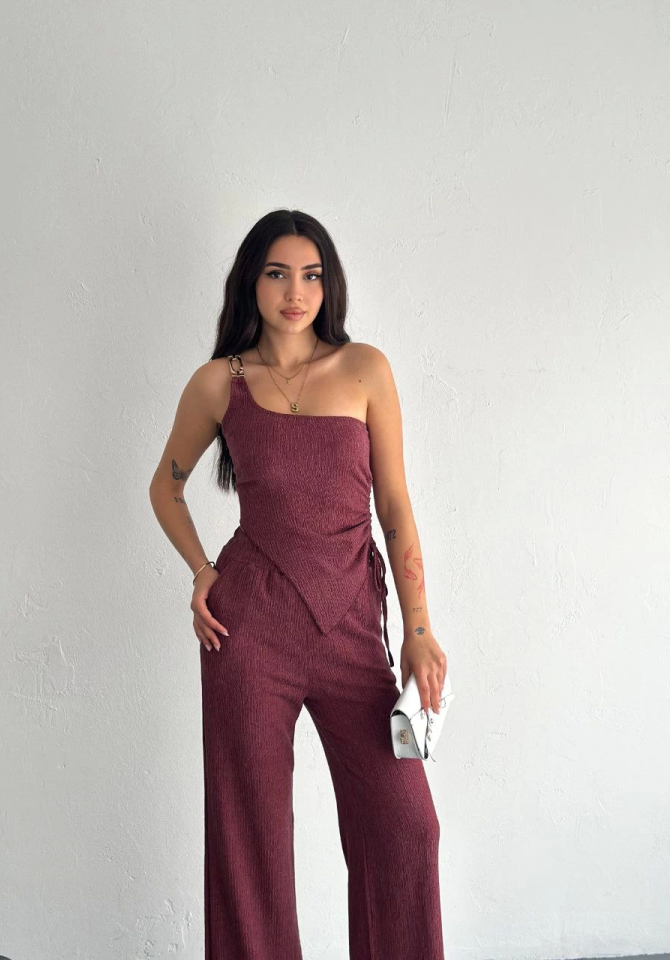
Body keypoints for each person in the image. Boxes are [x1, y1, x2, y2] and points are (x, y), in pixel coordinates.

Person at [149, 208, 449, 959]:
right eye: (277, 273)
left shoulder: (364, 368)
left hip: (353, 629)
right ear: (251, 282)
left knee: (407, 827)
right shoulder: (220, 383)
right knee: (249, 843)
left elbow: (395, 508)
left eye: (311, 275)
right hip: (247, 628)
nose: (296, 292)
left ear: (329, 284)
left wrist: (418, 630)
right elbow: (165, 488)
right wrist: (204, 571)